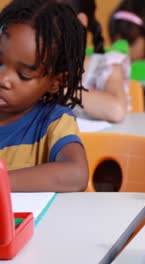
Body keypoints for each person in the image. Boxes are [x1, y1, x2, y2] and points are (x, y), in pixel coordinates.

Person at [0, 0, 88, 192]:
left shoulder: (52, 122)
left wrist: (2, 182)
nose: (3, 79)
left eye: (23, 75)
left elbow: (76, 174)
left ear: (55, 82)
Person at [63, 0, 129, 123]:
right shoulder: (37, 65)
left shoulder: (105, 64)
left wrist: (60, 90)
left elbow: (117, 110)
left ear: (80, 22)